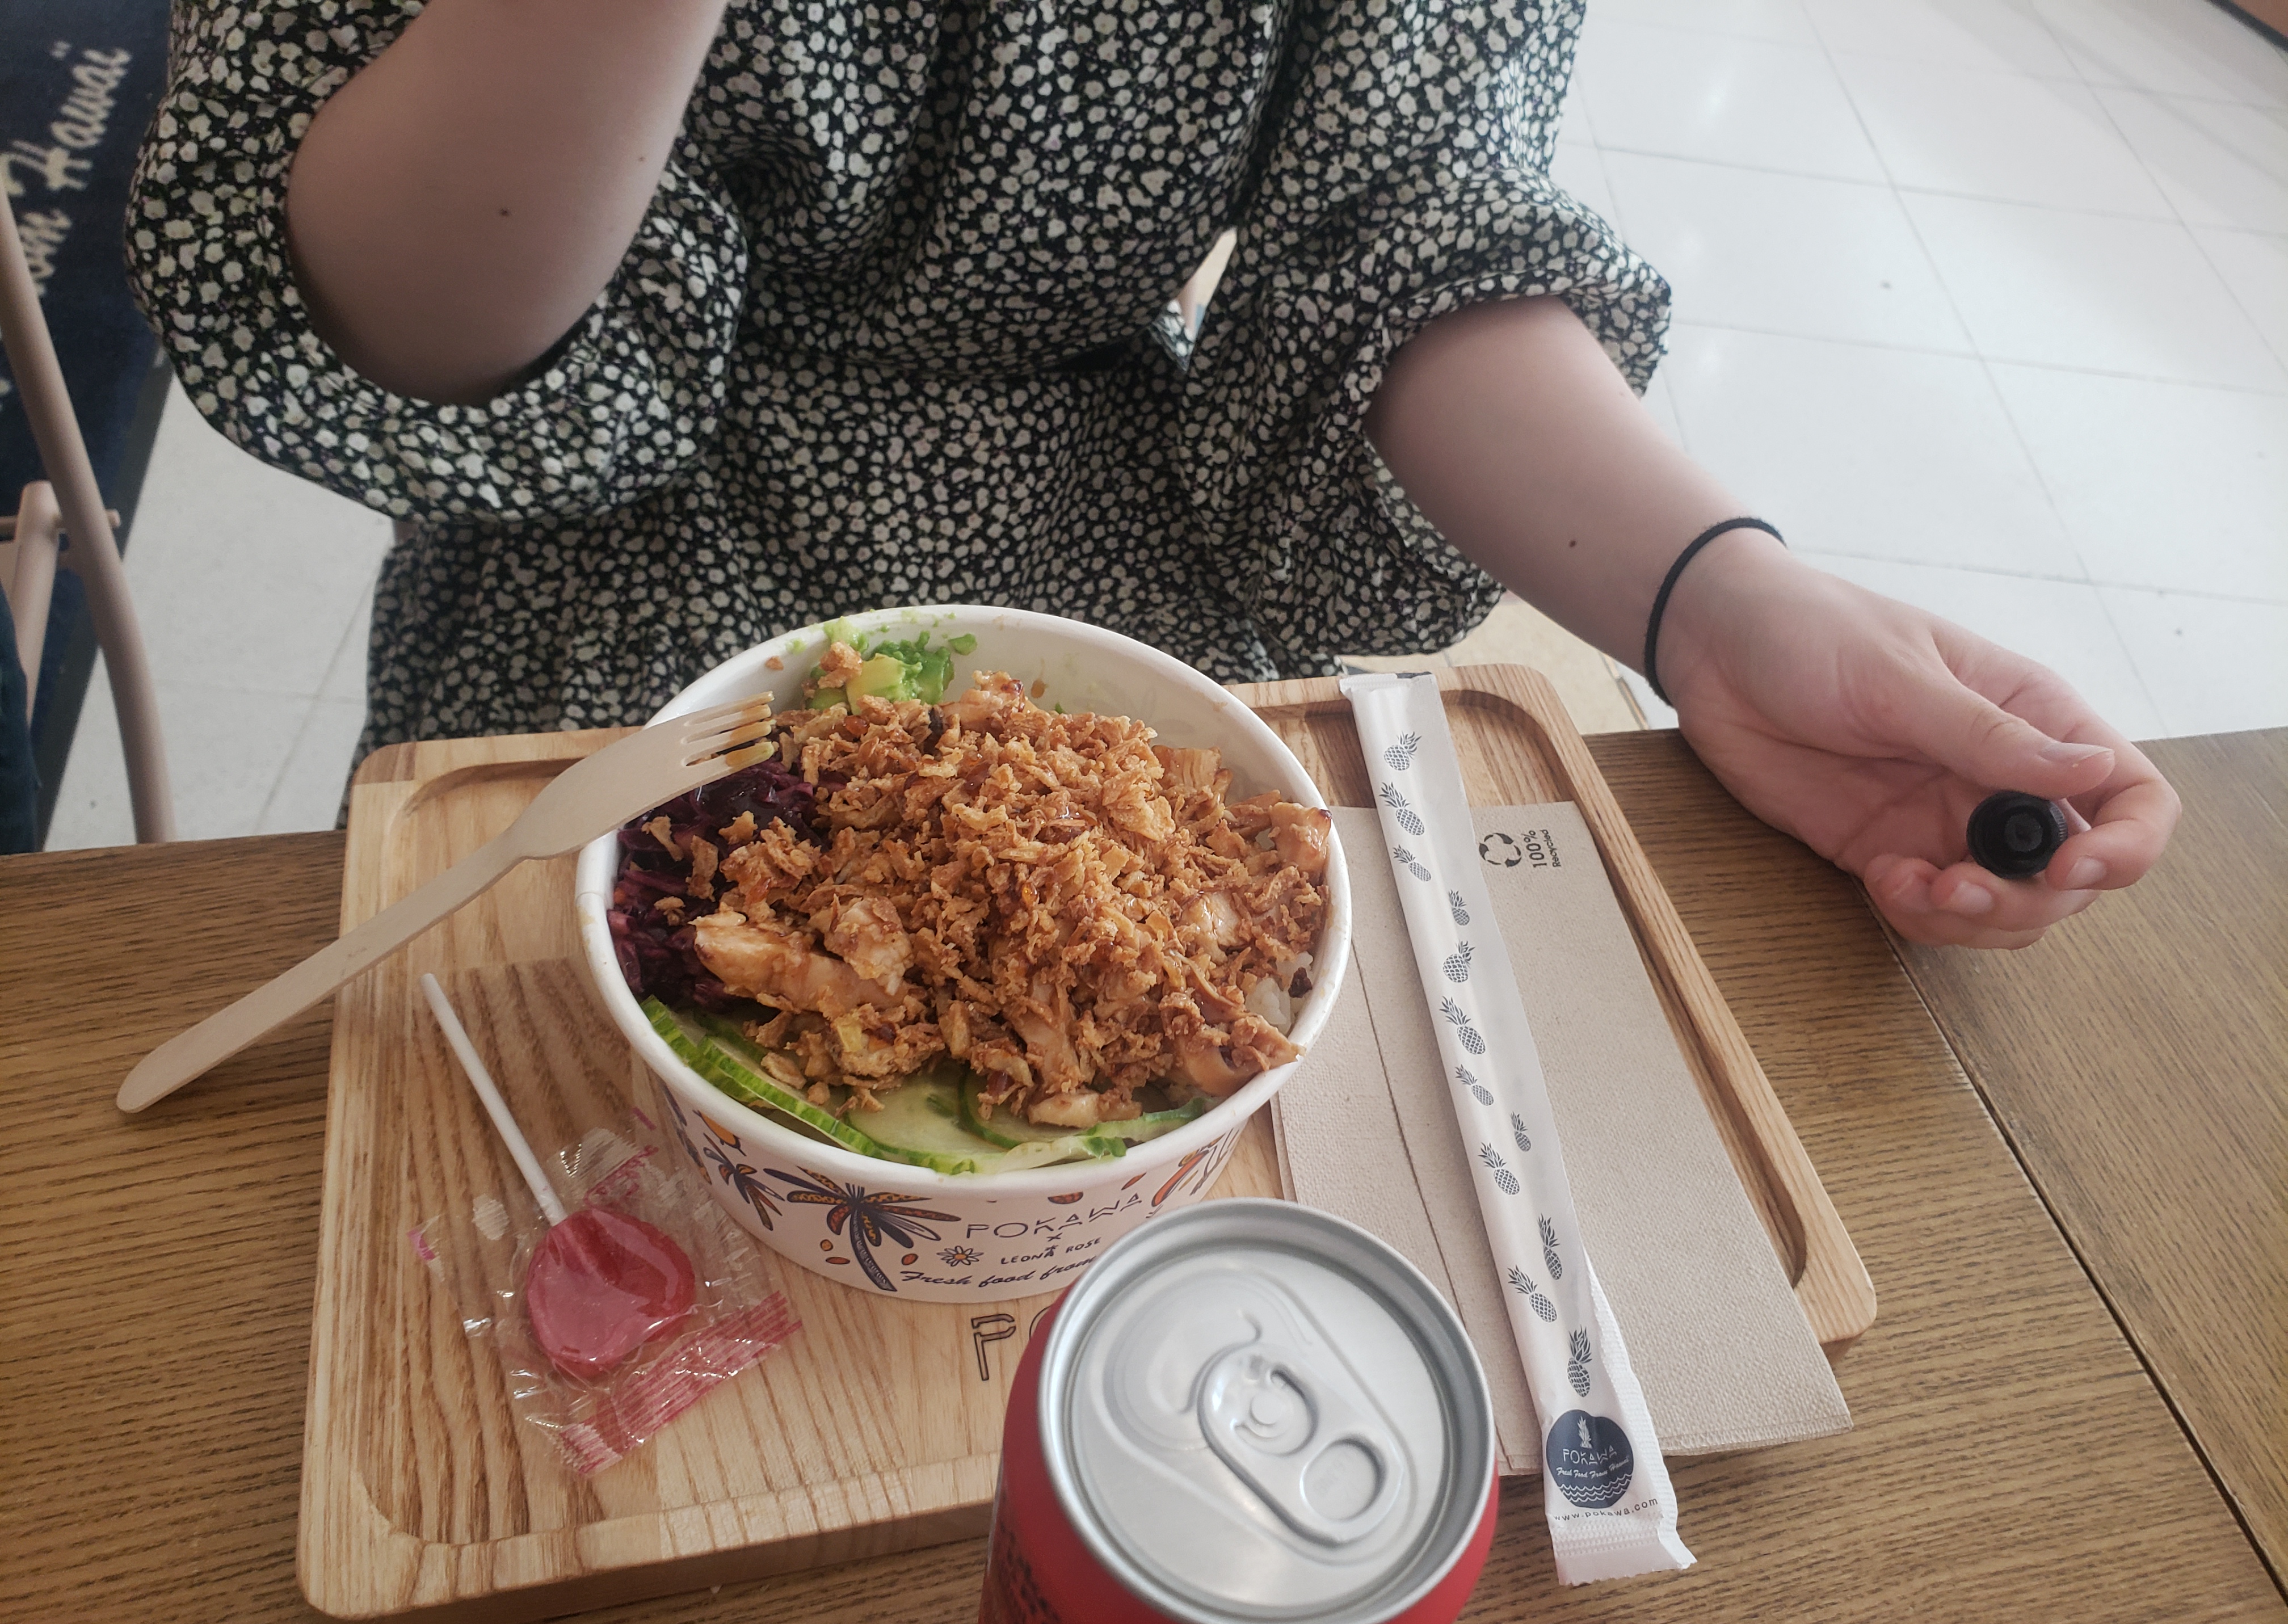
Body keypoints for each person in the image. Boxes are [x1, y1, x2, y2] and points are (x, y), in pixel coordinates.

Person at [127, 0, 2175, 949]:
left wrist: (1720, 605)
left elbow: (1404, 240)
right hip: (603, 563)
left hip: (1109, 575)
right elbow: (414, 320)